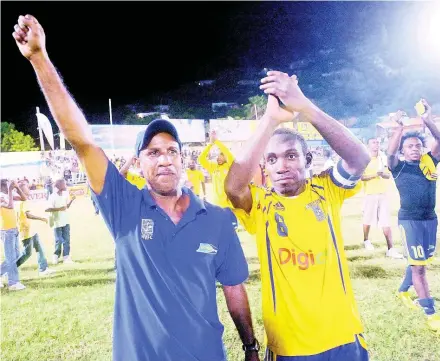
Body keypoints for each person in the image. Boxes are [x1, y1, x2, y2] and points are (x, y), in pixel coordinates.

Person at [13, 15, 260, 361]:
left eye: (172, 151)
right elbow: (80, 138)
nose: (164, 159)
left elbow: (234, 287)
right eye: (153, 152)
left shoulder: (217, 219)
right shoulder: (124, 206)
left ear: (183, 160)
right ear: (139, 165)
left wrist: (250, 346)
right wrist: (39, 58)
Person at [225, 70, 371, 360]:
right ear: (264, 168)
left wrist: (305, 107)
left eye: (291, 155)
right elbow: (233, 186)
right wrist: (269, 121)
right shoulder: (261, 205)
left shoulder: (327, 190)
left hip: (343, 336)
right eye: (272, 159)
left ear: (306, 160)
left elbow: (359, 159)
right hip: (290, 346)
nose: (281, 166)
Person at [387, 102, 440, 336]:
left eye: (418, 145)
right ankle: (431, 315)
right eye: (410, 146)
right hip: (410, 221)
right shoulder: (398, 167)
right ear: (403, 151)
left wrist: (428, 120)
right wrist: (399, 129)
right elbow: (390, 153)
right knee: (420, 268)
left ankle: (403, 290)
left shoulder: (430, 161)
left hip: (430, 220)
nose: (415, 148)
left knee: (419, 262)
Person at [361, 138, 403, 258]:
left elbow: (388, 175)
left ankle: (390, 249)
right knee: (367, 220)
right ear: (368, 145)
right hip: (370, 194)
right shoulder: (365, 159)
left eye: (378, 143)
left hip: (383, 194)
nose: (376, 145)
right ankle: (366, 240)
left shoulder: (383, 158)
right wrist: (375, 175)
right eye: (373, 142)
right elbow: (361, 177)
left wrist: (382, 174)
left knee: (386, 221)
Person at [15, 181, 56, 276]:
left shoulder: (22, 201)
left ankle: (43, 269)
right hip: (26, 231)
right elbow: (27, 215)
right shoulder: (23, 201)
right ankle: (9, 270)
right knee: (27, 254)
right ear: (21, 190)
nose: (29, 189)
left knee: (40, 248)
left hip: (30, 230)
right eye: (26, 188)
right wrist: (41, 218)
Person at [0, 179, 27, 290]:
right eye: (8, 185)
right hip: (6, 230)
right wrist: (11, 190)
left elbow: (24, 199)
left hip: (13, 229)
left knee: (15, 256)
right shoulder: (1, 196)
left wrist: (17, 188)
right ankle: (13, 283)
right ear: (2, 186)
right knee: (11, 257)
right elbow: (10, 206)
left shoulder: (7, 195)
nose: (9, 186)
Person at [198, 130, 234, 208]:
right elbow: (201, 159)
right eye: (218, 155)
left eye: (222, 155)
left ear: (226, 158)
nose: (219, 158)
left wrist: (217, 141)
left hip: (229, 206)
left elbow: (228, 153)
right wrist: (210, 144)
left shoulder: (230, 166)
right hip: (216, 205)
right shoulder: (213, 166)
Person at [45, 179, 76, 264]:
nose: (66, 185)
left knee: (67, 240)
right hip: (57, 222)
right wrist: (59, 209)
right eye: (64, 184)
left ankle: (66, 257)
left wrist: (71, 200)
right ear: (59, 186)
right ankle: (56, 256)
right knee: (59, 240)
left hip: (65, 220)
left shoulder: (65, 195)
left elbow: (66, 207)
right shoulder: (52, 196)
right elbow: (47, 209)